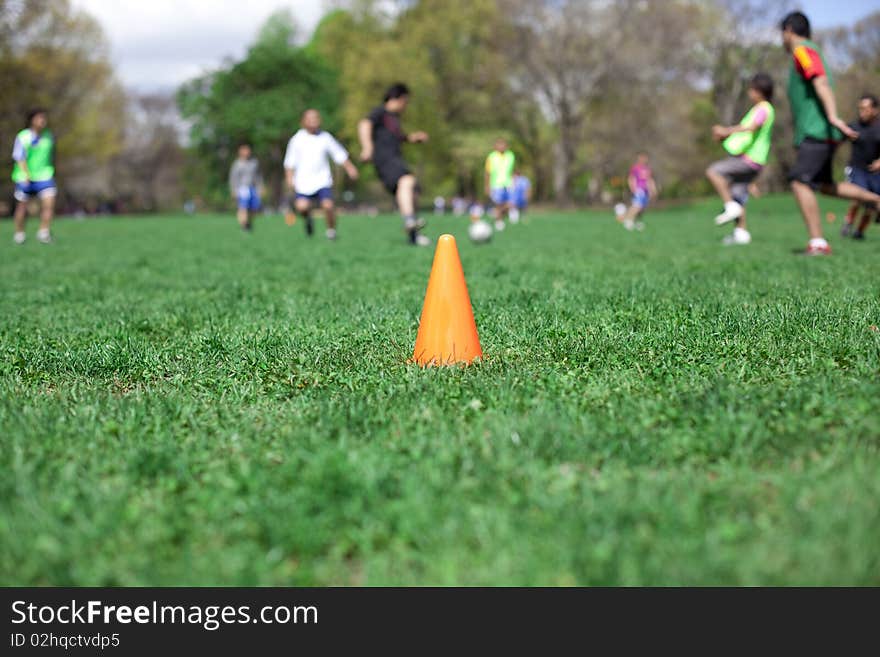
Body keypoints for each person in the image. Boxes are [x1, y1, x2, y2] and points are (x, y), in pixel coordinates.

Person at [780, 11, 880, 255]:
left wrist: (833, 116)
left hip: (817, 130)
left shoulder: (802, 50)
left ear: (789, 31)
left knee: (799, 182)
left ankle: (818, 243)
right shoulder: (812, 49)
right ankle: (876, 200)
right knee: (825, 186)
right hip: (820, 131)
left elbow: (820, 81)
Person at [706, 73, 776, 246]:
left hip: (750, 160)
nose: (749, 92)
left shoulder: (763, 109)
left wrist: (725, 131)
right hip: (752, 160)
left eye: (752, 89)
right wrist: (725, 138)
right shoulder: (760, 108)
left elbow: (751, 128)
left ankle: (729, 206)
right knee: (738, 194)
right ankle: (741, 234)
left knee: (714, 172)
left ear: (760, 91)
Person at [357, 83, 430, 246]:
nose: (406, 106)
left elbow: (398, 137)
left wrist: (413, 138)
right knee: (407, 181)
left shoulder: (394, 119)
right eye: (406, 102)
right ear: (399, 98)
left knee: (414, 193)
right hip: (385, 159)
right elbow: (364, 124)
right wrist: (367, 147)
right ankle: (409, 220)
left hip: (395, 159)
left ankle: (413, 235)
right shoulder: (380, 112)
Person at [284, 109, 359, 241]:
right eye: (310, 118)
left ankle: (331, 231)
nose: (314, 121)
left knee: (328, 206)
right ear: (303, 121)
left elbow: (339, 154)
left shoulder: (325, 137)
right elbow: (289, 163)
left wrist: (350, 168)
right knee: (302, 207)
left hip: (322, 180)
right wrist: (290, 179)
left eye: (316, 118)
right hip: (303, 182)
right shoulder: (296, 140)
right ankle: (308, 219)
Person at [11, 108, 56, 245]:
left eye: (44, 118)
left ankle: (44, 233)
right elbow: (19, 157)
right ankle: (19, 234)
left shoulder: (49, 136)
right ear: (32, 120)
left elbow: (51, 155)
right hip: (24, 176)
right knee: (22, 208)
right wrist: (26, 174)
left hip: (44, 176)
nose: (42, 121)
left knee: (49, 205)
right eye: (39, 118)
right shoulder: (23, 136)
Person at [840, 94, 880, 240]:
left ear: (875, 110)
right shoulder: (853, 127)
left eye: (865, 108)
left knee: (872, 202)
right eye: (860, 109)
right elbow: (837, 140)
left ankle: (860, 231)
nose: (861, 112)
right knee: (858, 196)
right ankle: (848, 223)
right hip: (856, 168)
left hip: (874, 172)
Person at [616, 153, 657, 231]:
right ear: (639, 158)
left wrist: (653, 189)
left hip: (646, 191)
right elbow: (631, 178)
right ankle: (627, 219)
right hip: (639, 190)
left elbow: (649, 180)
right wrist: (633, 188)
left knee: (642, 208)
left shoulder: (647, 169)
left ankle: (638, 222)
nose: (644, 159)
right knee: (637, 206)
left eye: (645, 157)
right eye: (642, 157)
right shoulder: (635, 168)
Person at [228, 143, 262, 232]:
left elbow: (258, 176)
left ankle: (248, 223)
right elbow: (233, 178)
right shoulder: (237, 164)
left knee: (253, 208)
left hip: (253, 188)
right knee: (243, 207)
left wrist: (260, 187)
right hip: (242, 188)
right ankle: (244, 226)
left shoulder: (254, 162)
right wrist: (233, 190)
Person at [484, 138, 515, 231]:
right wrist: (487, 186)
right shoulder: (491, 157)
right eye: (499, 144)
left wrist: (514, 182)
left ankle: (497, 216)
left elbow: (512, 170)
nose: (502, 146)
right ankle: (498, 222)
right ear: (495, 146)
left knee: (510, 205)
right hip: (496, 184)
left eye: (503, 144)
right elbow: (487, 172)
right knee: (498, 204)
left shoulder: (511, 156)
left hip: (509, 184)